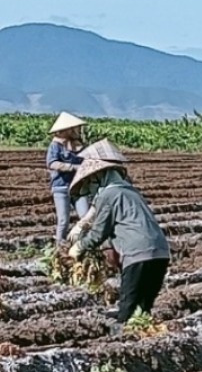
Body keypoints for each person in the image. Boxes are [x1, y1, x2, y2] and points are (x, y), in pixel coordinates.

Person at [65, 139, 173, 325]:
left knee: (126, 314)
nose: (91, 188)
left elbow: (99, 232)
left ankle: (123, 337)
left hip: (137, 254)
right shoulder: (130, 192)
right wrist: (82, 225)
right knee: (142, 311)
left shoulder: (108, 195)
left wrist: (80, 246)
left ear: (100, 176)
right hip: (161, 253)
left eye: (91, 182)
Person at [47, 113, 88, 243]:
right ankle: (59, 246)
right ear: (68, 130)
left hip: (78, 186)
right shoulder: (56, 145)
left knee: (86, 218)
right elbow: (52, 163)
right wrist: (72, 167)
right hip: (61, 186)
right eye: (75, 128)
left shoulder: (79, 146)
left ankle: (84, 244)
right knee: (63, 220)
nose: (78, 130)